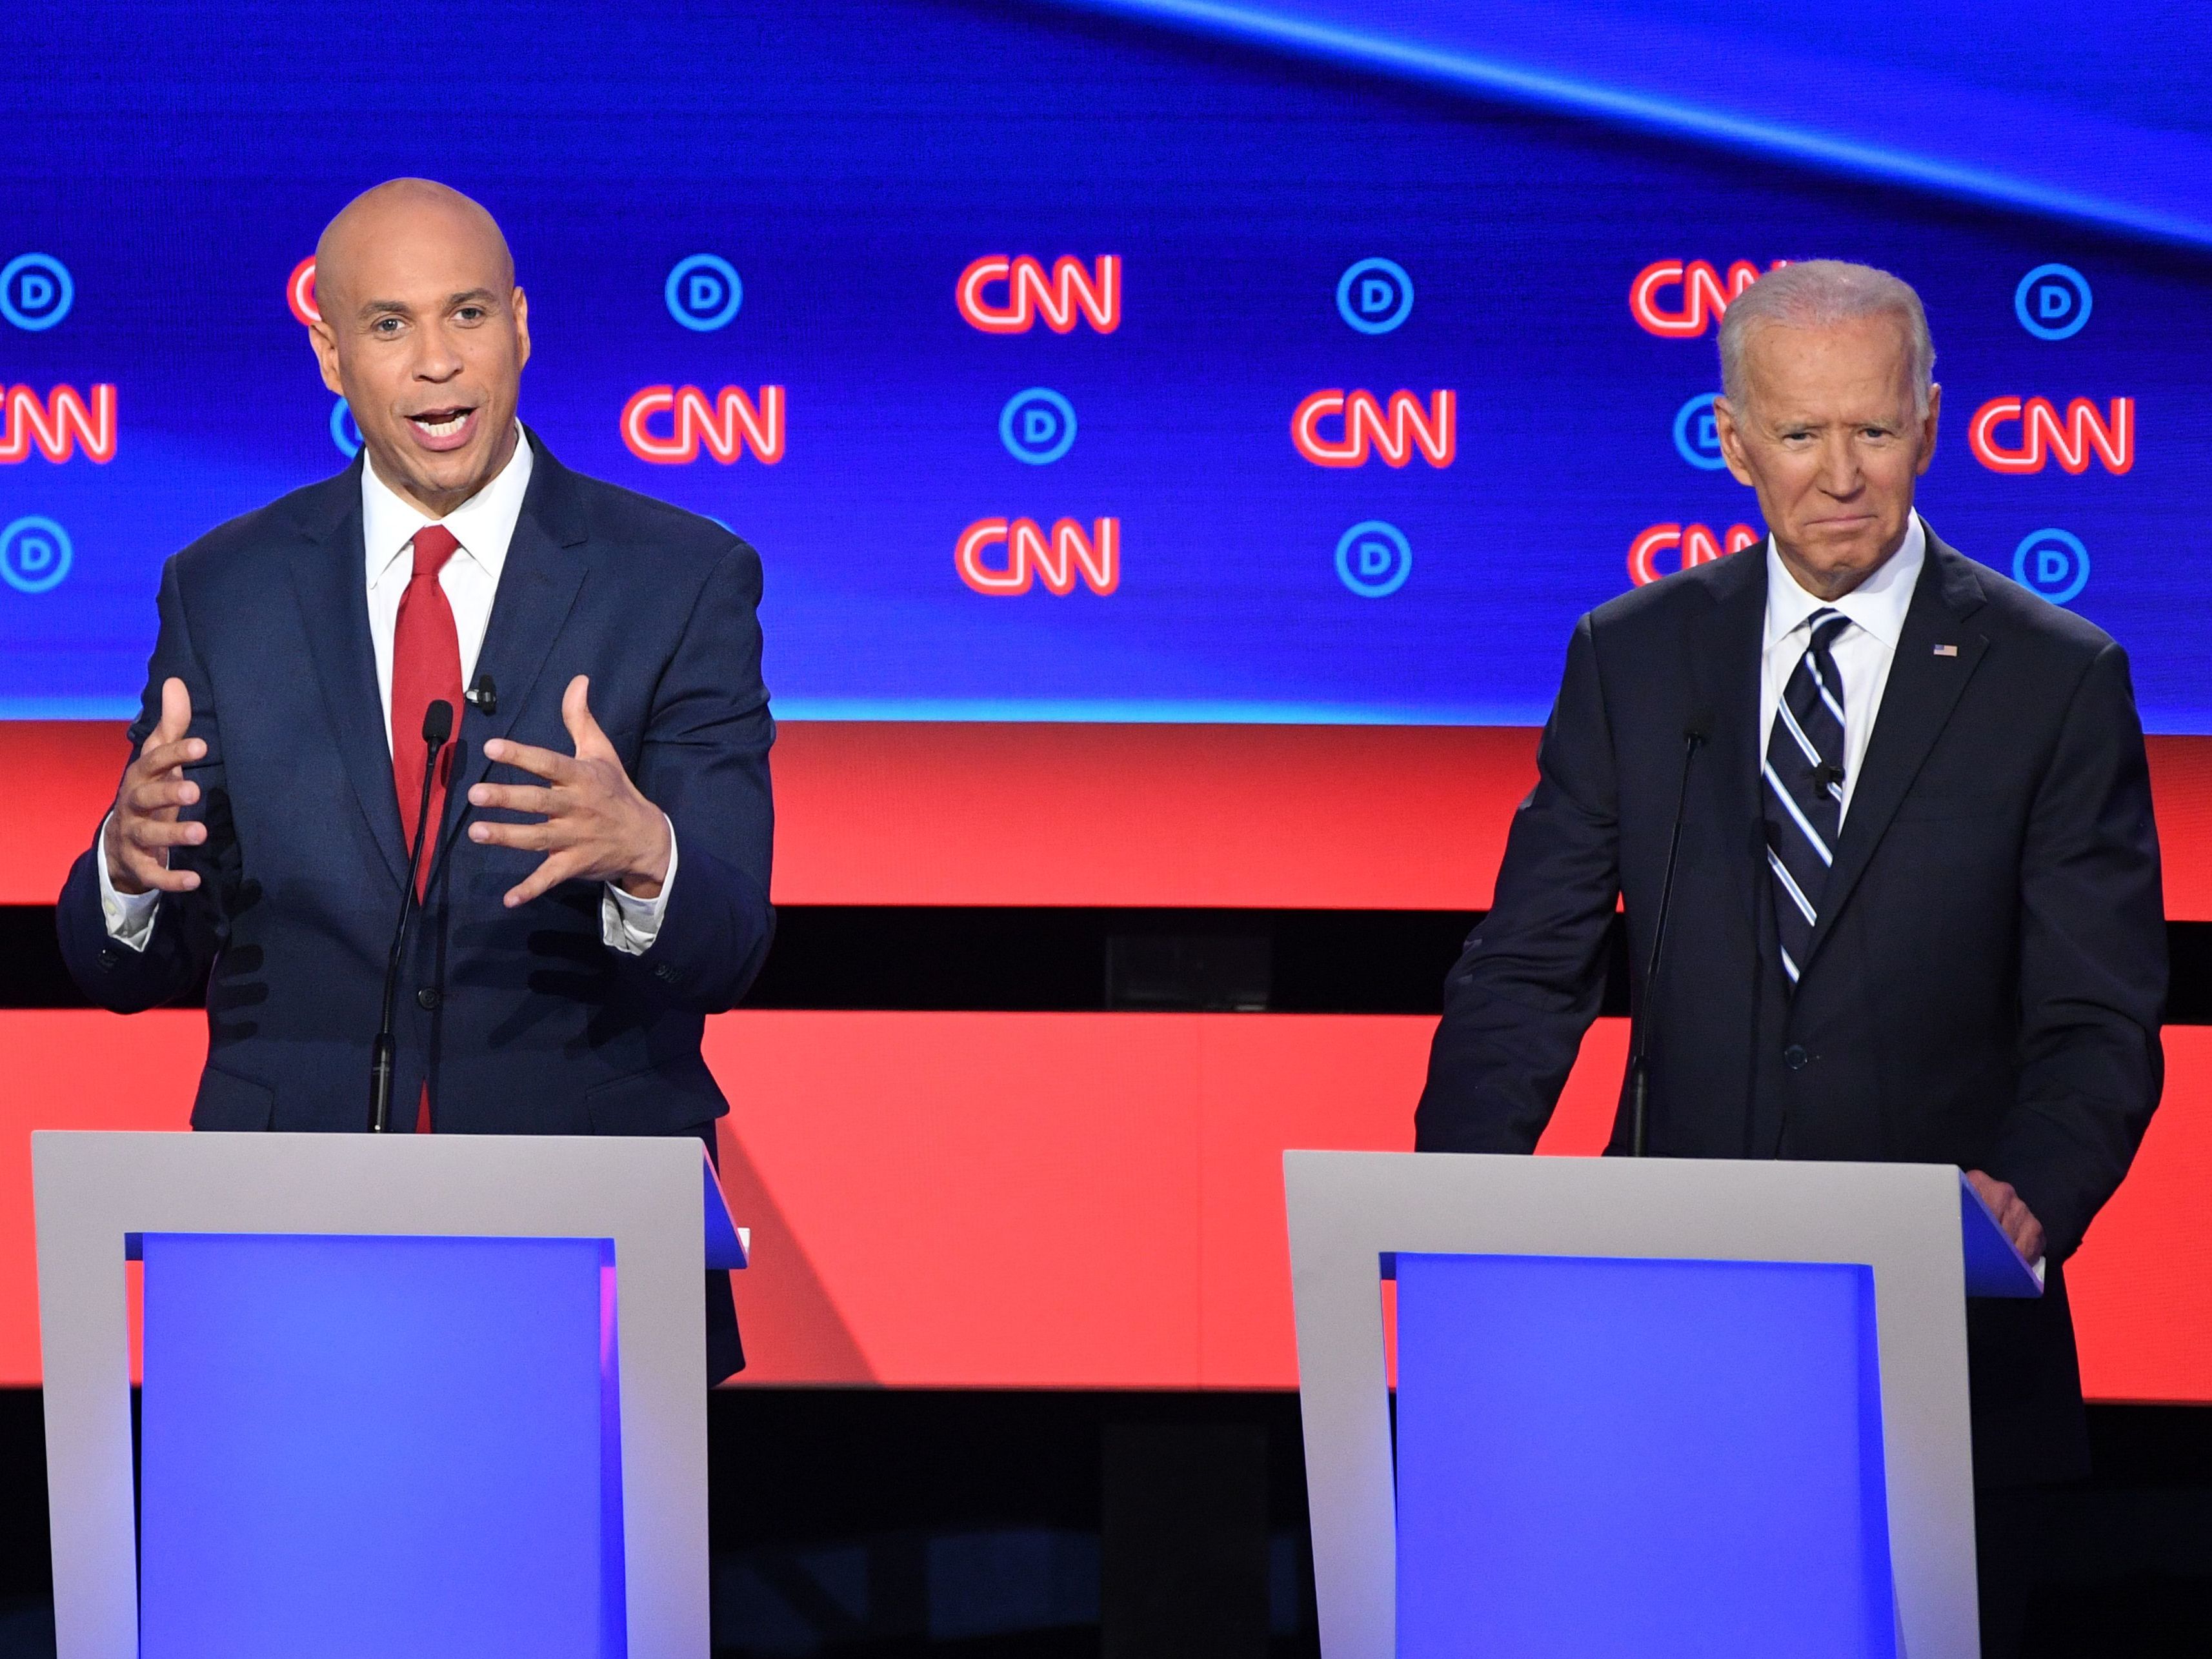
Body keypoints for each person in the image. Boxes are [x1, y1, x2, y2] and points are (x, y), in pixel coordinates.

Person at [1414, 260, 2164, 1651]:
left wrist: (2030, 1197)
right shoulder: (1635, 660)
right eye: (1802, 433)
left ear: (1930, 426)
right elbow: (1528, 965)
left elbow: (2100, 1014)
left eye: (1873, 431)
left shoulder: (2054, 678)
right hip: (1665, 1335)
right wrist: (1458, 1215)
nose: (1839, 475)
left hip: (1936, 1341)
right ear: (1733, 440)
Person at [54, 179, 773, 1383]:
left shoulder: (681, 580)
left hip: (587, 1244)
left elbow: (728, 946)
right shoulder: (223, 590)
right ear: (331, 353)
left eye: (469, 315)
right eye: (389, 325)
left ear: (524, 327)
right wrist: (127, 873)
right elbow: (129, 966)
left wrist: (648, 856)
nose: (437, 363)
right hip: (282, 1251)